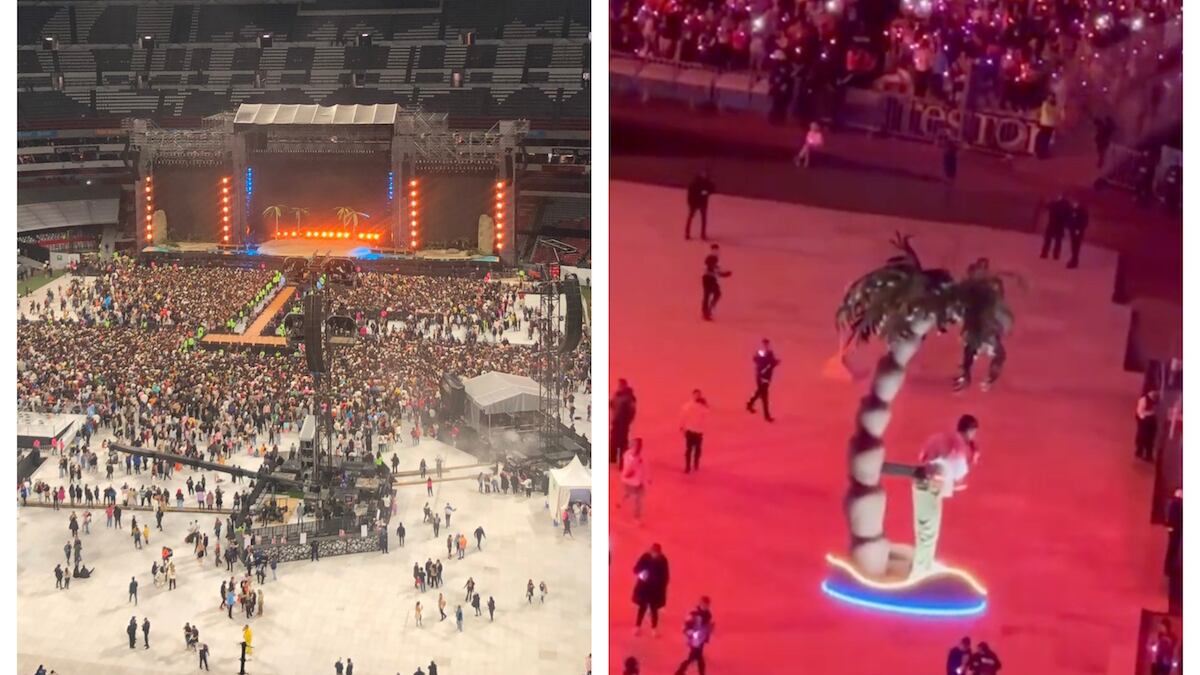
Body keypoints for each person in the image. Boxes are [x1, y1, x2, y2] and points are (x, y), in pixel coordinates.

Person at [920, 415, 981, 499]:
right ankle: (938, 481)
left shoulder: (946, 436)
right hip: (937, 469)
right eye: (974, 432)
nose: (974, 436)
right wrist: (972, 458)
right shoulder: (959, 445)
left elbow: (923, 455)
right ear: (969, 431)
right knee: (961, 469)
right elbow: (959, 477)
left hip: (928, 461)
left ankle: (936, 478)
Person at [633, 543, 670, 636]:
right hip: (644, 587)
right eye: (653, 552)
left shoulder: (663, 560)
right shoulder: (645, 557)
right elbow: (636, 569)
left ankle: (654, 628)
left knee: (654, 609)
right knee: (642, 607)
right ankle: (638, 627)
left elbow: (665, 576)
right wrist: (641, 573)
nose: (655, 554)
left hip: (655, 589)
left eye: (656, 553)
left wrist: (662, 587)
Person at [674, 597, 714, 675]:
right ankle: (680, 672)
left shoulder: (708, 614)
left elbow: (706, 627)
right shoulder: (694, 613)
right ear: (700, 604)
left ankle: (680, 672)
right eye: (704, 605)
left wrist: (709, 630)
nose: (705, 607)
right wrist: (689, 632)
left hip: (701, 639)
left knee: (696, 656)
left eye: (707, 605)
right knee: (695, 657)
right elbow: (686, 625)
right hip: (694, 639)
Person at [745, 339, 779, 422]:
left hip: (766, 377)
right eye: (765, 343)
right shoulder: (762, 352)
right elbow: (758, 360)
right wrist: (772, 363)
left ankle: (750, 404)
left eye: (767, 343)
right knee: (764, 395)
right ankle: (766, 416)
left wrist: (775, 363)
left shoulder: (769, 352)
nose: (766, 345)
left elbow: (771, 363)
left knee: (760, 393)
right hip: (762, 377)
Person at [680, 390, 708, 473]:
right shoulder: (690, 406)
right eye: (696, 395)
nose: (697, 396)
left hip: (696, 431)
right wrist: (682, 427)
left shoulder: (699, 406)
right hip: (692, 430)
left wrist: (682, 427)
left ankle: (692, 464)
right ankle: (690, 466)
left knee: (694, 449)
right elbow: (683, 416)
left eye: (698, 395)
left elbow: (706, 416)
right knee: (691, 449)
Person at [610, 379, 637, 466]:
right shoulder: (618, 395)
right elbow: (613, 404)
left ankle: (622, 461)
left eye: (621, 385)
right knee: (613, 440)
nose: (619, 387)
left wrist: (627, 421)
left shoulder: (629, 397)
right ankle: (612, 458)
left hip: (623, 423)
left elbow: (632, 411)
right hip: (616, 422)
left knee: (622, 443)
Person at [620, 438, 648, 521]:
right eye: (635, 445)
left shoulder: (640, 456)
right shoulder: (628, 455)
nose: (637, 447)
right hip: (630, 481)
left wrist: (646, 478)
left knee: (636, 497)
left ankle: (622, 501)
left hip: (638, 481)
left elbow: (644, 468)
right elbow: (628, 469)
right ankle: (636, 517)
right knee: (635, 498)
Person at [701, 245, 731, 321]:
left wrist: (724, 274)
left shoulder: (713, 258)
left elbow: (714, 269)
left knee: (710, 295)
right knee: (712, 294)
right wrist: (723, 274)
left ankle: (707, 311)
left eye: (717, 250)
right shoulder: (711, 258)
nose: (717, 252)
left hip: (709, 278)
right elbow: (711, 267)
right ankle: (707, 311)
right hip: (708, 278)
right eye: (715, 250)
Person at [685, 169, 715, 240]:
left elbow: (711, 190)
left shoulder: (707, 182)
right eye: (703, 174)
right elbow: (693, 193)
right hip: (695, 202)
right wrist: (704, 193)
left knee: (703, 219)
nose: (704, 176)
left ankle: (703, 234)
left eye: (705, 174)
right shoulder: (695, 183)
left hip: (702, 202)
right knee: (691, 217)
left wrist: (705, 192)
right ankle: (687, 233)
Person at [1041, 193, 1071, 260]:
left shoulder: (1062, 204)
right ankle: (1050, 253)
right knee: (1054, 240)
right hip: (1056, 225)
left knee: (1053, 240)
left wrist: (1067, 224)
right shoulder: (1057, 203)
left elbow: (1046, 207)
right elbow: (1046, 207)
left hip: (1056, 225)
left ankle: (1049, 253)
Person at [1135, 389, 1160, 461]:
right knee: (1142, 436)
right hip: (1144, 419)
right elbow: (1139, 411)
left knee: (1150, 438)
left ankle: (1148, 455)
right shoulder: (1143, 400)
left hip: (1151, 418)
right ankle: (1140, 451)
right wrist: (1143, 420)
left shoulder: (1156, 399)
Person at [1066, 200, 1088, 269]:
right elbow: (1070, 219)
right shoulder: (1073, 210)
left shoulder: (1082, 212)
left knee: (1076, 246)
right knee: (1073, 246)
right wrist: (1069, 226)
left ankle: (1074, 260)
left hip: (1077, 231)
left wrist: (1078, 230)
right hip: (1073, 230)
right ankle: (1074, 259)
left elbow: (1084, 222)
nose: (1074, 204)